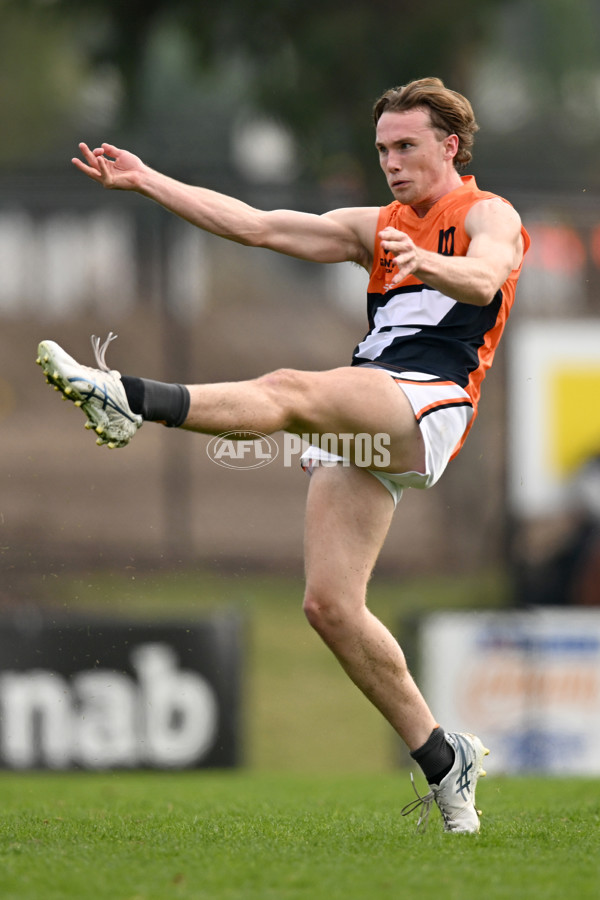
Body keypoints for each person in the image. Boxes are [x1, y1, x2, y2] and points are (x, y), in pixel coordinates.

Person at [37, 77, 529, 833]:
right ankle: (443, 758)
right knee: (330, 606)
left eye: (406, 147)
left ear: (449, 146)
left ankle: (131, 399)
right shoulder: (378, 224)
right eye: (382, 149)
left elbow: (485, 275)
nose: (391, 163)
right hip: (370, 413)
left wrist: (425, 262)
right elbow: (258, 226)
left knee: (289, 388)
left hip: (427, 402)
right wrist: (147, 181)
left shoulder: (486, 213)